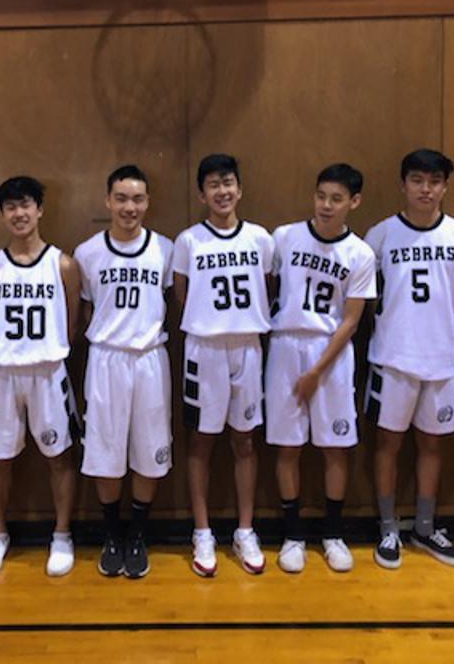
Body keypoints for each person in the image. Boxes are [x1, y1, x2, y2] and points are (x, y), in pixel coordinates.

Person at [363, 149, 454, 570]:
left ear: (445, 186)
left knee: (432, 443)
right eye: (417, 180)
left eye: (434, 182)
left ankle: (425, 527)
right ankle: (388, 528)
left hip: (441, 359)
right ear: (403, 185)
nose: (425, 189)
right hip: (392, 358)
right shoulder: (380, 235)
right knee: (388, 444)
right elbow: (369, 297)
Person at [267, 164, 376, 574]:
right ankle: (293, 535)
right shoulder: (285, 237)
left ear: (354, 202)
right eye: (321, 196)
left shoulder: (360, 253)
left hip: (332, 351)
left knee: (335, 446)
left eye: (336, 199)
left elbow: (351, 320)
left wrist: (317, 370)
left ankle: (333, 533)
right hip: (286, 346)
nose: (326, 205)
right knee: (288, 446)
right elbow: (270, 291)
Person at [0, 176, 82, 577]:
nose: (19, 213)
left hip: (48, 371)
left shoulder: (63, 265)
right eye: (11, 207)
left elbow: (72, 323)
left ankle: (62, 535)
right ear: (2, 214)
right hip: (3, 374)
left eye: (26, 205)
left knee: (59, 456)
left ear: (40, 209)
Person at [173, 154, 274, 577]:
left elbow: (267, 286)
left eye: (228, 182)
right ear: (201, 194)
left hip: (247, 345)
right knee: (201, 441)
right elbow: (181, 295)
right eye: (213, 185)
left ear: (240, 188)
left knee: (244, 440)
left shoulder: (260, 239)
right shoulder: (188, 241)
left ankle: (245, 530)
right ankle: (202, 532)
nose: (222, 191)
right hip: (205, 348)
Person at [74, 165, 174, 579]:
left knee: (149, 453)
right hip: (106, 359)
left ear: (147, 202)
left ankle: (137, 534)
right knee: (105, 454)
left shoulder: (165, 249)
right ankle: (112, 534)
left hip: (149, 358)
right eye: (121, 198)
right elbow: (84, 309)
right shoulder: (87, 253)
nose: (129, 207)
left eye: (137, 199)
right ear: (107, 201)